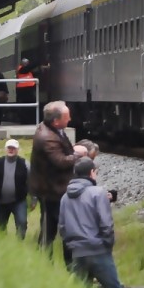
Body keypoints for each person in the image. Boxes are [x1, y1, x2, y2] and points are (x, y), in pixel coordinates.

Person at [30, 101, 88, 263]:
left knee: (54, 228)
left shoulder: (52, 130)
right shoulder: (47, 138)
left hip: (55, 189)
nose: (70, 119)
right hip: (52, 191)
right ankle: (50, 262)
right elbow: (60, 161)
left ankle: (48, 260)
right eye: (66, 117)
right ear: (56, 121)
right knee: (53, 229)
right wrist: (79, 155)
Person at [59, 157, 124, 288]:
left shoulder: (65, 197)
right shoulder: (98, 193)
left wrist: (72, 246)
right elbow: (106, 224)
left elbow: (62, 227)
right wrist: (107, 244)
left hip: (77, 252)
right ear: (91, 172)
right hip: (98, 250)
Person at [16, 58, 40, 123]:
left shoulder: (28, 71)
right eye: (25, 63)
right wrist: (38, 61)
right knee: (25, 107)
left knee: (32, 106)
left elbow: (34, 73)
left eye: (27, 63)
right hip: (23, 91)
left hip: (29, 90)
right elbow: (28, 68)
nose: (26, 64)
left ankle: (31, 120)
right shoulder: (21, 69)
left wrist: (41, 68)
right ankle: (25, 121)